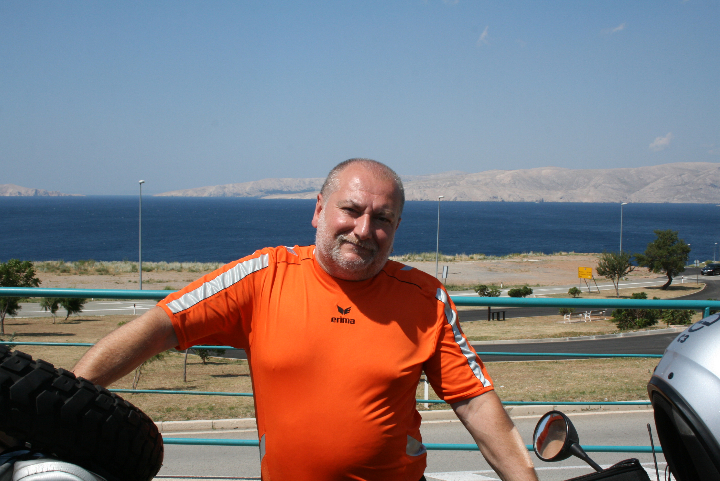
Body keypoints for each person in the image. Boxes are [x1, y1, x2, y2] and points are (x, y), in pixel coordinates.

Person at [73, 158, 538, 481]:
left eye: (382, 218)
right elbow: (158, 327)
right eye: (350, 210)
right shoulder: (263, 276)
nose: (363, 230)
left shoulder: (426, 298)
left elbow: (475, 402)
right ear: (319, 210)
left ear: (396, 228)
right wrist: (59, 405)